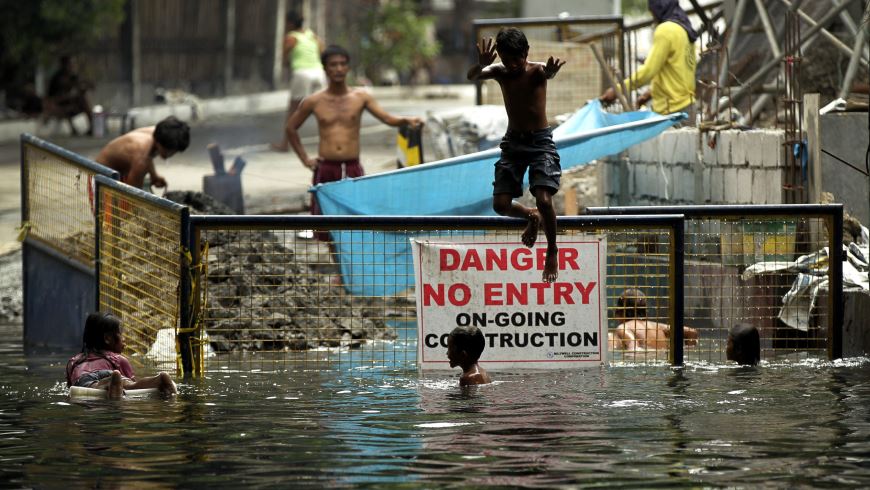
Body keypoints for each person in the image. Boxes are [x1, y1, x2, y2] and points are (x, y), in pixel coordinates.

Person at [285, 44, 423, 241]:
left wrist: (407, 120)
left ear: (348, 67)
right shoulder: (314, 101)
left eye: (343, 64)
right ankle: (338, 270)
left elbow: (387, 118)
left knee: (356, 224)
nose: (339, 69)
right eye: (333, 64)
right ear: (325, 68)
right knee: (326, 227)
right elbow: (291, 128)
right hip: (326, 169)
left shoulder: (360, 97)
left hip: (352, 168)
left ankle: (351, 270)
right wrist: (305, 159)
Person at [467, 28, 566, 283]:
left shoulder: (536, 71)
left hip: (540, 142)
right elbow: (472, 76)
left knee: (544, 199)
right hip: (513, 143)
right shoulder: (500, 72)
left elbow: (548, 73)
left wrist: (552, 73)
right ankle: (530, 216)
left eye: (516, 59)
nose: (511, 65)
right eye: (506, 59)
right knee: (500, 205)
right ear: (499, 56)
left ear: (526, 53)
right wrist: (481, 65)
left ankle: (552, 250)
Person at [600, 0, 698, 121]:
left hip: (672, 109)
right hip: (688, 106)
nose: (653, 17)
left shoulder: (666, 30)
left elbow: (648, 71)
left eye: (653, 12)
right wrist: (650, 93)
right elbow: (679, 73)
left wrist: (617, 90)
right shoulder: (685, 29)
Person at [65, 312, 177, 399]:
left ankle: (108, 383)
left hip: (85, 379)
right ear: (108, 339)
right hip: (113, 374)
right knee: (130, 385)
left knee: (94, 386)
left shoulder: (74, 361)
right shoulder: (118, 359)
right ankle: (158, 379)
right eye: (121, 334)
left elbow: (70, 387)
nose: (124, 339)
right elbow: (134, 384)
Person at [271, 11, 326, 152]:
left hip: (302, 73)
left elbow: (284, 57)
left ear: (289, 23)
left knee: (293, 110)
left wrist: (287, 65)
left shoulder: (291, 38)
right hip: (318, 73)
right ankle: (329, 140)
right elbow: (322, 48)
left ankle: (285, 144)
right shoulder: (311, 34)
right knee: (322, 109)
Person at [95, 116, 190, 190]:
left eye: (174, 151)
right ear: (158, 143)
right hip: (101, 179)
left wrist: (154, 175)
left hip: (116, 173)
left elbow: (149, 156)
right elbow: (132, 196)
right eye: (168, 151)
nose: (170, 155)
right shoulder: (141, 159)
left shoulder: (159, 132)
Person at [608, 288, 700, 351]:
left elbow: (634, 349)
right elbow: (691, 332)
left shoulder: (623, 327)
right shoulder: (658, 327)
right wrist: (687, 353)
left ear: (618, 312)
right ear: (645, 311)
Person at [43, 55, 94, 135]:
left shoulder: (73, 76)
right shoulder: (56, 78)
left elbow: (82, 87)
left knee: (83, 100)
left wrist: (83, 88)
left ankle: (92, 127)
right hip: (59, 105)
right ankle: (73, 129)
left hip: (72, 103)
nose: (72, 66)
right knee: (65, 108)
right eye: (70, 64)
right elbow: (51, 98)